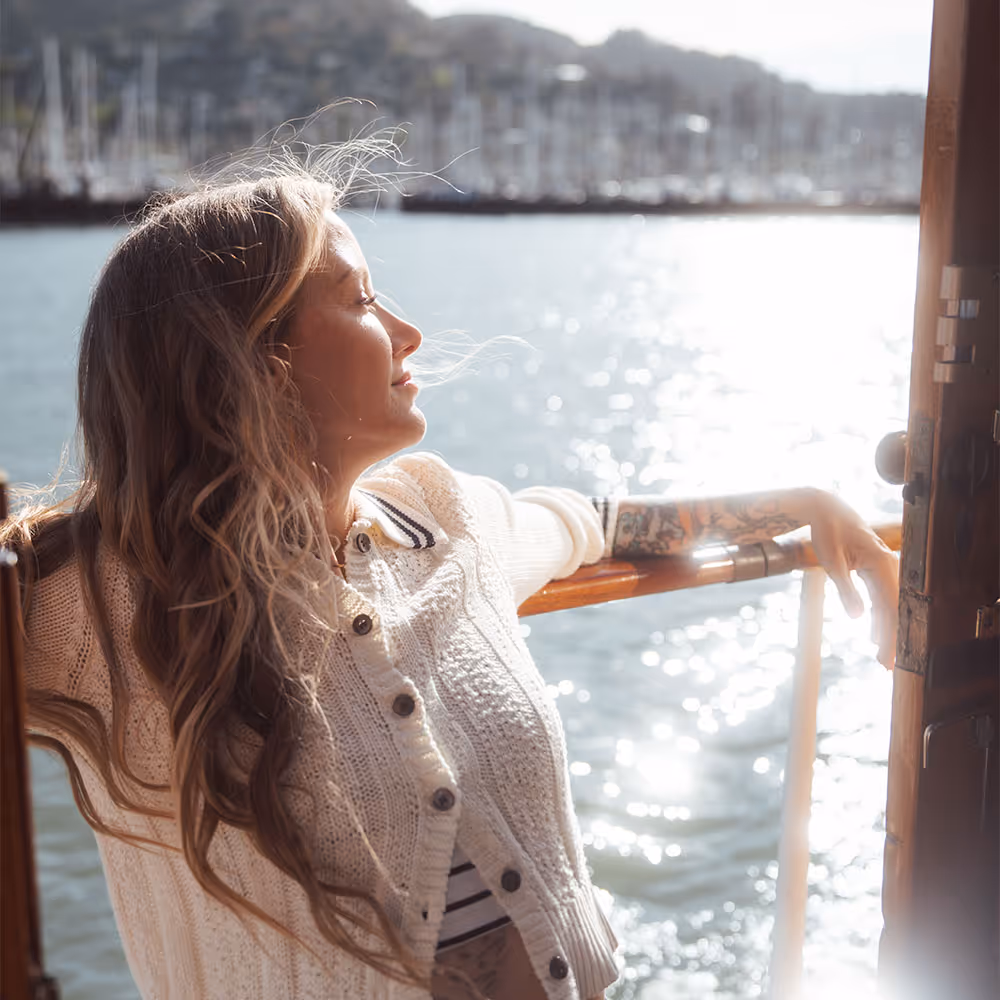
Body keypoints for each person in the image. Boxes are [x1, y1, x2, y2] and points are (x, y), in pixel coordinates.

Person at [3, 166, 899, 1000]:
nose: (407, 331)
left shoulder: (443, 517)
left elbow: (596, 523)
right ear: (256, 364)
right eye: (359, 301)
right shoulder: (99, 607)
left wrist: (800, 502)